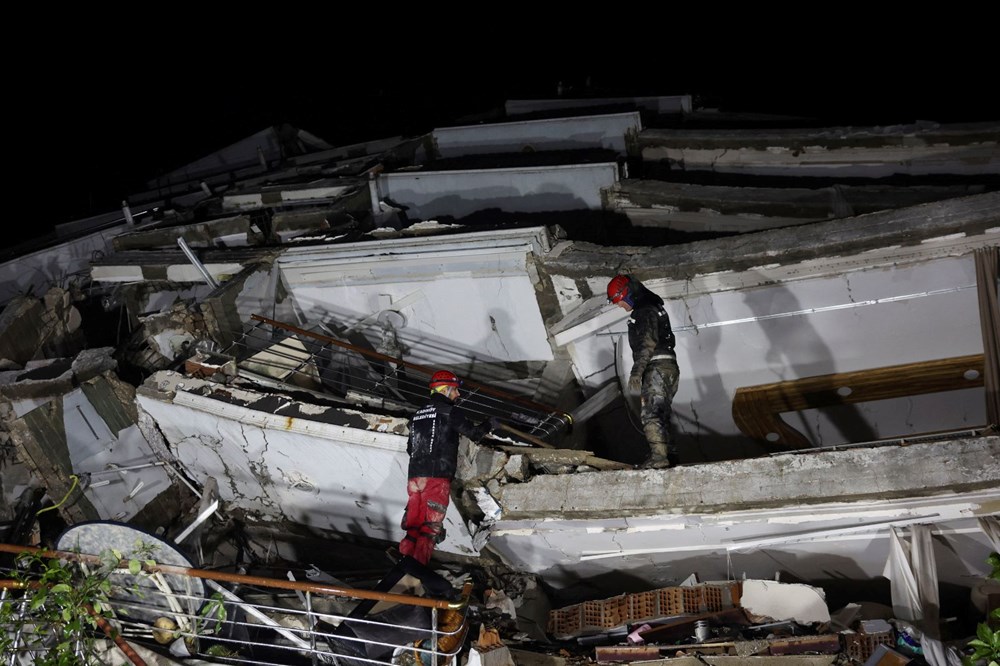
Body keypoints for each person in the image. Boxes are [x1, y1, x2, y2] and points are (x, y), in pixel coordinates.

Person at [398, 370, 499, 565]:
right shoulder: (449, 412)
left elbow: (411, 448)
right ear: (445, 390)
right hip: (437, 477)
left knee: (413, 526)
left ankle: (404, 560)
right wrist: (490, 424)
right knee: (429, 527)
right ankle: (418, 569)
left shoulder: (417, 415)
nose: (458, 395)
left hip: (415, 476)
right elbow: (474, 433)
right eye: (455, 391)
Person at [607, 274, 680, 469]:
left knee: (651, 414)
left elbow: (647, 343)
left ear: (627, 294)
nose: (620, 306)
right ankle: (668, 455)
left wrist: (637, 371)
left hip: (656, 366)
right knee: (662, 414)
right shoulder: (652, 307)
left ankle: (659, 458)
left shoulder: (644, 310)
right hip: (668, 367)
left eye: (619, 301)